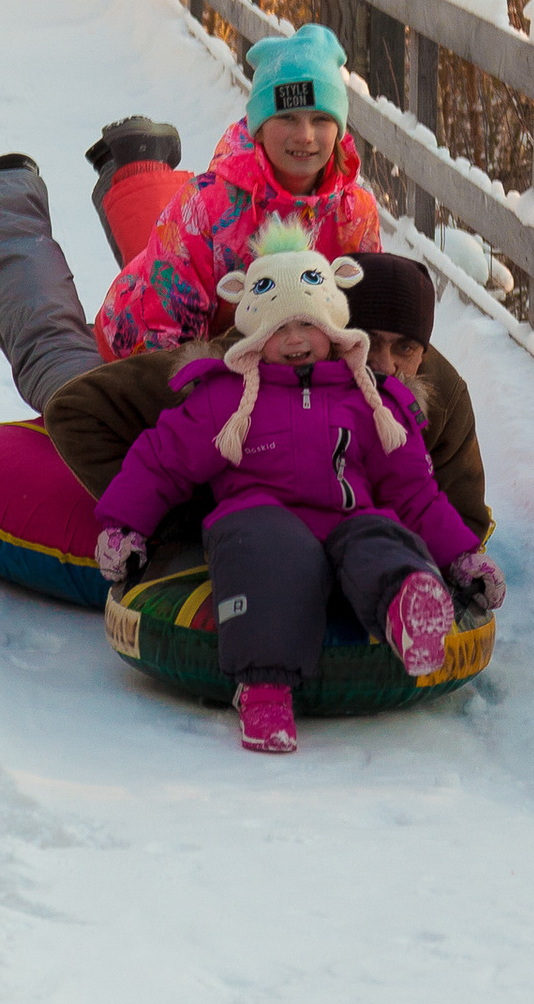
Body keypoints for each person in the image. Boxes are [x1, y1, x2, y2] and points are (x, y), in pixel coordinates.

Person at [88, 223, 504, 760]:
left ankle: (409, 610)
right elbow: (163, 459)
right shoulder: (227, 397)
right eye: (278, 329)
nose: (295, 340)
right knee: (267, 554)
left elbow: (417, 494)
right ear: (253, 332)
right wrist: (126, 528)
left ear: (333, 325)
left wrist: (464, 559)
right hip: (260, 516)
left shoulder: (372, 400)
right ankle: (264, 689)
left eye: (309, 324)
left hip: (349, 517)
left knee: (383, 535)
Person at [0, 28, 379, 413]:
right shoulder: (210, 203)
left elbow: (368, 325)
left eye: (321, 119)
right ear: (258, 127)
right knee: (61, 373)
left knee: (184, 238)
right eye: (287, 119)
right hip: (141, 350)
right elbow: (163, 340)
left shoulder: (353, 212)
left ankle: (135, 160)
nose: (305, 136)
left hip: (248, 348)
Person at [43, 240, 488, 573]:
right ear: (332, 332)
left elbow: (459, 516)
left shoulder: (440, 398)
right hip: (246, 525)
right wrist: (190, 524)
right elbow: (74, 409)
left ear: (424, 353)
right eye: (367, 342)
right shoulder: (247, 369)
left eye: (405, 348)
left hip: (355, 544)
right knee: (51, 343)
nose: (384, 365)